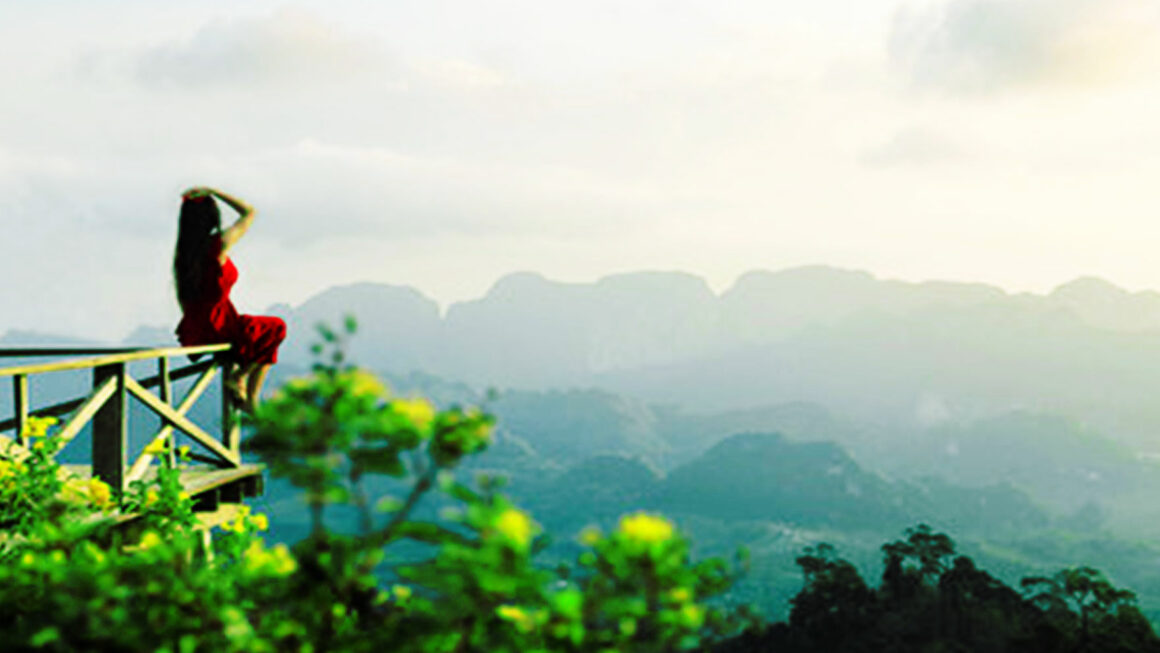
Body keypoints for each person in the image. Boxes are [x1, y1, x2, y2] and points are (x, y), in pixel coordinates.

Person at [173, 186, 286, 413]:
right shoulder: (218, 245)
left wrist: (195, 326)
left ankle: (243, 388)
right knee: (276, 327)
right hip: (221, 325)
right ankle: (241, 381)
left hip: (197, 328)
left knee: (255, 334)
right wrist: (214, 191)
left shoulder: (183, 255)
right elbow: (249, 212)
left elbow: (182, 298)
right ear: (212, 217)